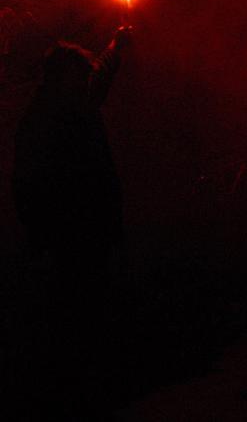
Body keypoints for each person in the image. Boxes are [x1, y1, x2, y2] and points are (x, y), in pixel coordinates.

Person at [12, 25, 132, 418]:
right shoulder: (47, 121)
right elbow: (29, 185)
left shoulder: (69, 105)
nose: (87, 82)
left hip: (86, 233)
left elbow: (95, 79)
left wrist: (114, 47)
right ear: (63, 78)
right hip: (68, 238)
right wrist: (42, 237)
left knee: (89, 316)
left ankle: (88, 391)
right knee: (73, 320)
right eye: (80, 75)